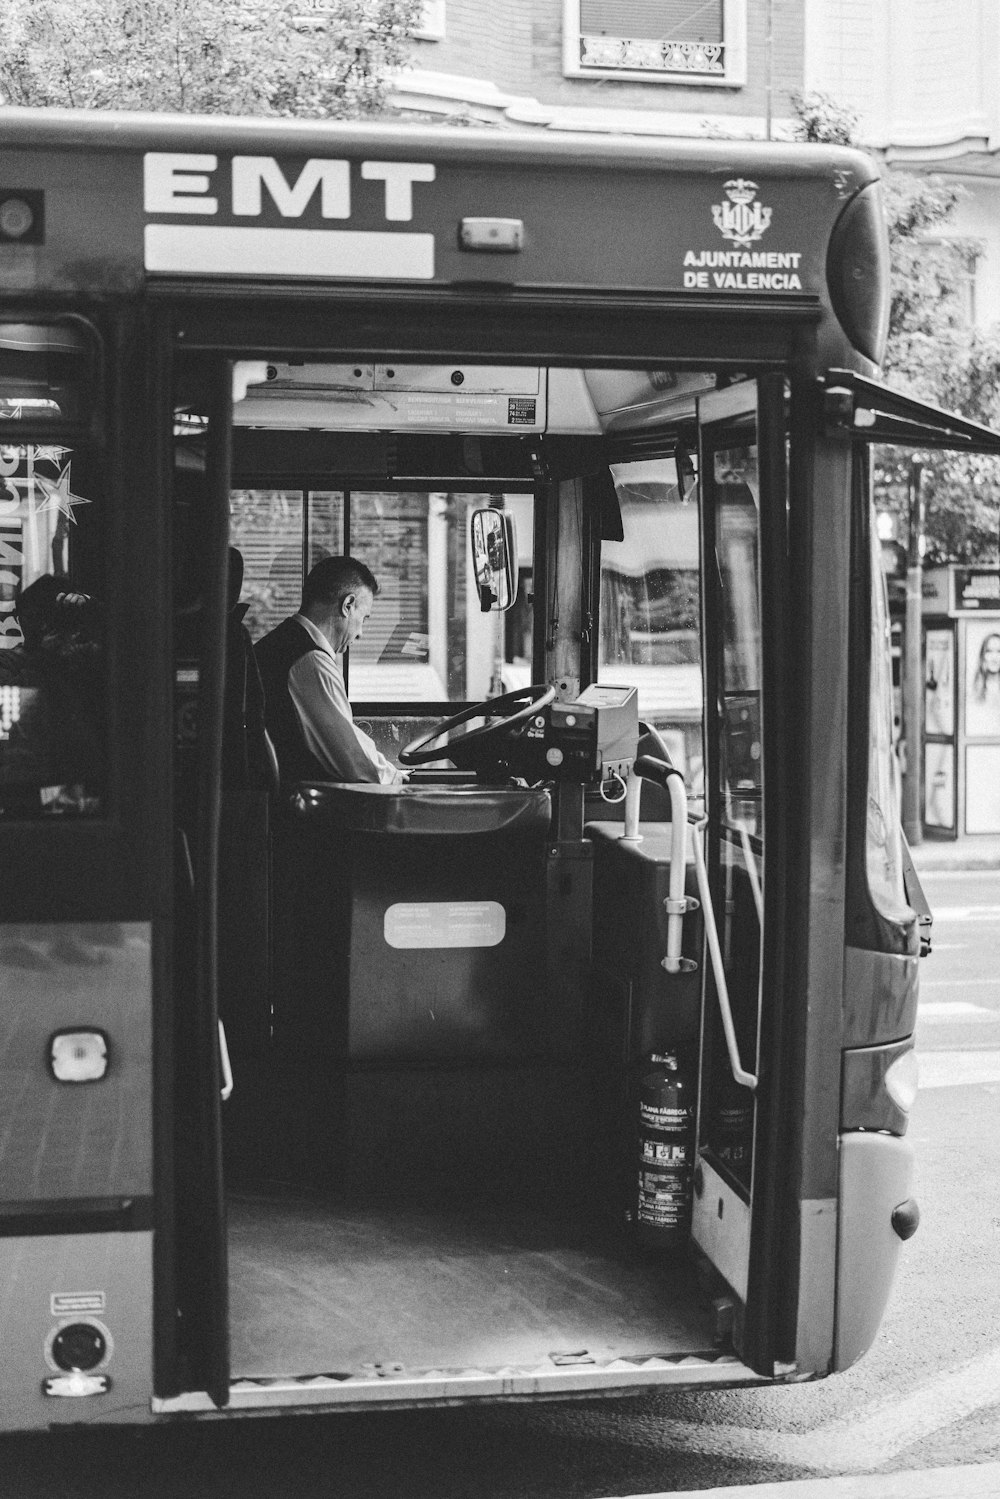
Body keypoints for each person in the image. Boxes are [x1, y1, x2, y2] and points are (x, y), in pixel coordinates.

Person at [254, 554, 403, 786]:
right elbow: (353, 759)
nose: (361, 633)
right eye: (364, 618)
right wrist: (398, 780)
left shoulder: (286, 642)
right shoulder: (310, 661)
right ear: (347, 605)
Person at [967, 630, 1000, 738]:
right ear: (983, 656)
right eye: (989, 651)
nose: (994, 658)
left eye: (999, 651)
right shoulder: (973, 689)